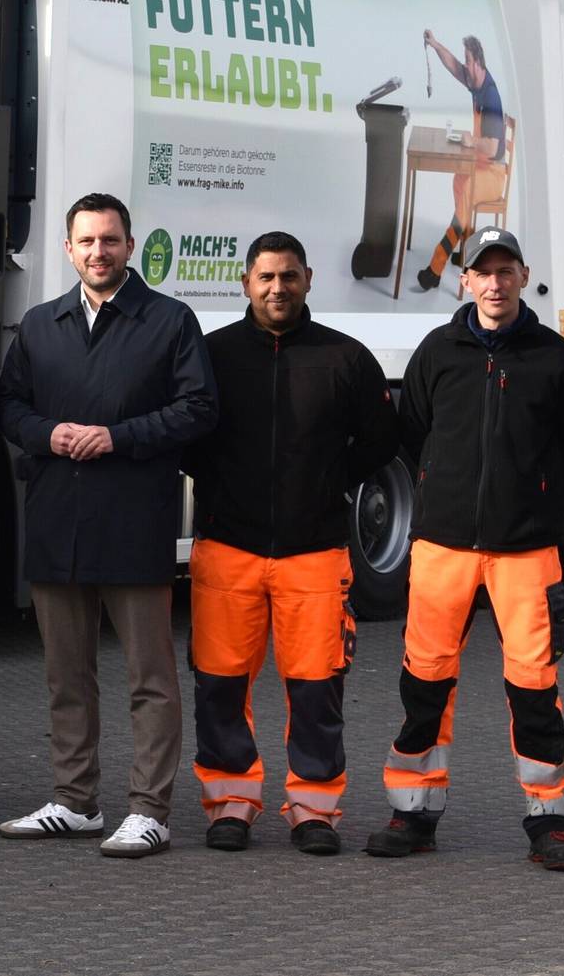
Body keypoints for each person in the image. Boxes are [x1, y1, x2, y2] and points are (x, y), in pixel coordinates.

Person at [367, 227, 564, 872]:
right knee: (425, 679)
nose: (495, 284)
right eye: (483, 272)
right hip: (441, 546)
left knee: (533, 683)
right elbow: (413, 432)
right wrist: (444, 489)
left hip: (526, 551)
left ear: (524, 277)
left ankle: (549, 820)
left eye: (506, 272)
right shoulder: (437, 352)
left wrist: (534, 490)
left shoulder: (555, 359)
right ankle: (412, 813)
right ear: (465, 281)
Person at [0, 191, 217, 858]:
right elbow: (8, 407)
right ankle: (74, 800)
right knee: (67, 673)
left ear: (129, 244)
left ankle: (151, 809)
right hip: (58, 519)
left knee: (150, 675)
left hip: (134, 520)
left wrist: (116, 437)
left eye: (111, 239)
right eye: (87, 241)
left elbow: (198, 408)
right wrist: (50, 432)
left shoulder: (169, 321)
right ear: (69, 249)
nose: (99, 251)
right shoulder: (40, 324)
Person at [182, 232, 398, 855]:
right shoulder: (213, 355)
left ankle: (314, 811)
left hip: (315, 552)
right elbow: (187, 432)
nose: (278, 288)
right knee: (220, 686)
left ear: (309, 280)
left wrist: (332, 479)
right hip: (227, 547)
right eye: (266, 278)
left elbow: (381, 441)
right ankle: (230, 803)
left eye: (290, 277)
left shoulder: (345, 359)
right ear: (245, 282)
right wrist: (221, 482)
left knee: (315, 688)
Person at [415, 29, 510, 292]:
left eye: (468, 60)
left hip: (493, 173)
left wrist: (471, 141)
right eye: (466, 60)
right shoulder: (475, 83)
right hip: (480, 165)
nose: (465, 66)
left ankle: (435, 268)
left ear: (479, 62)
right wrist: (434, 45)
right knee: (459, 180)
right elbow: (454, 67)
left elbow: (492, 147)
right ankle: (467, 250)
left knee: (465, 195)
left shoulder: (490, 97)